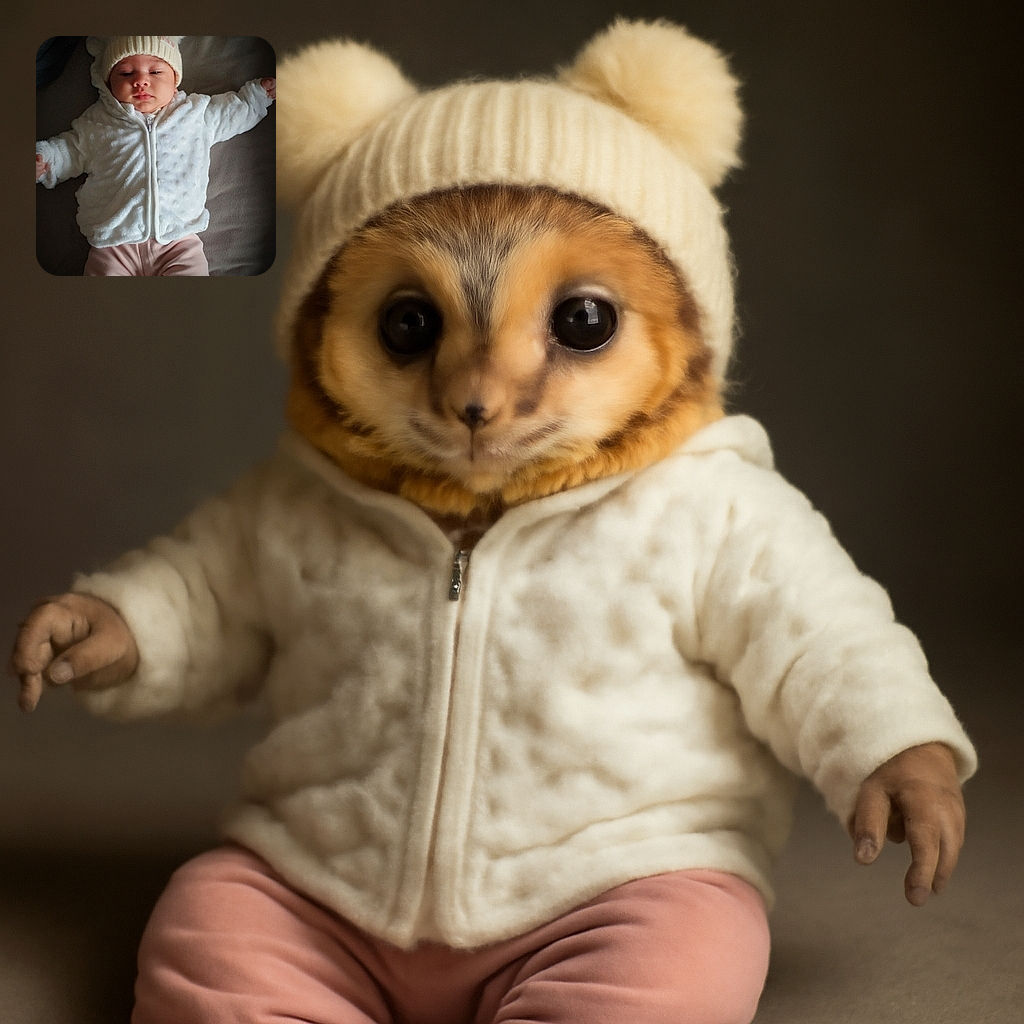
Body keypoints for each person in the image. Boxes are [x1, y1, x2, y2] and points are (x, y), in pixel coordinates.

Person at [35, 35, 275, 276]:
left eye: (156, 72)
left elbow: (232, 112)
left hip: (179, 241)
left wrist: (257, 96)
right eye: (126, 73)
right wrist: (46, 161)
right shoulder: (97, 123)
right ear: (107, 83)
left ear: (175, 80)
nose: (141, 81)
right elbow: (70, 150)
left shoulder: (195, 114)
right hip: (113, 243)